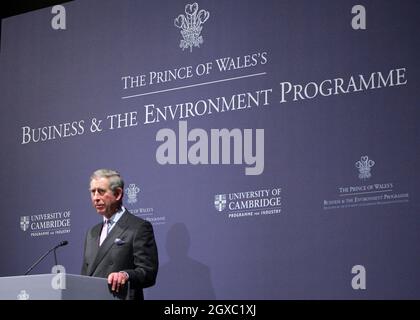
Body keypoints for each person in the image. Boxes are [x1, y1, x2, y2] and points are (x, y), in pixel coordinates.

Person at [81, 169, 158, 300]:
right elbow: (84, 276)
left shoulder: (138, 227)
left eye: (101, 191)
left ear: (117, 194)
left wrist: (125, 275)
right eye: (93, 192)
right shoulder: (92, 232)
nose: (96, 197)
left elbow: (148, 273)